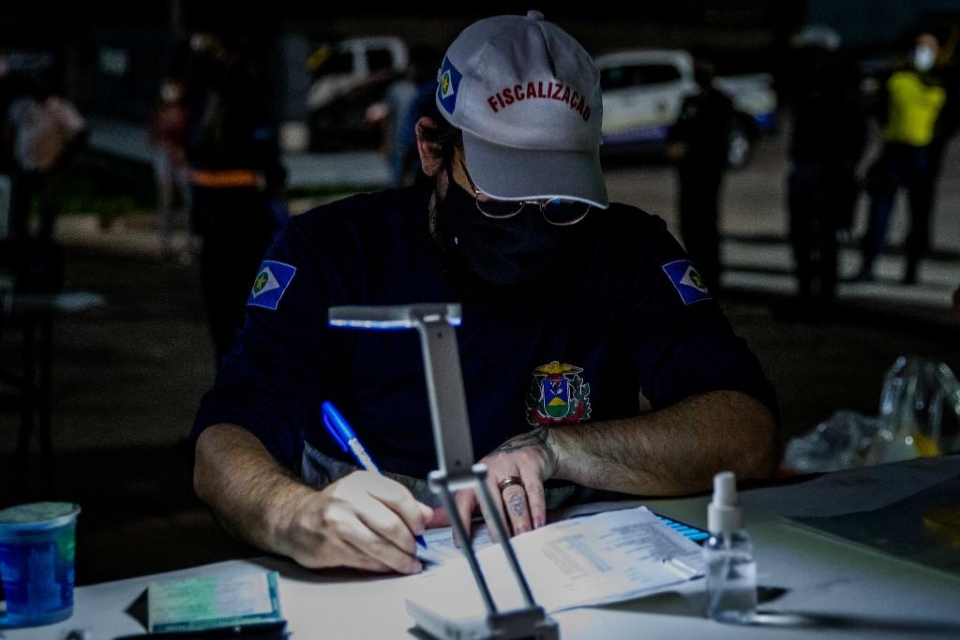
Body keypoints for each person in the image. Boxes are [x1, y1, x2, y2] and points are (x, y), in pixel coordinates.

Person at [191, 11, 780, 576]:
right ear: (432, 150)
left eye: (561, 203)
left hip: (573, 561)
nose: (530, 226)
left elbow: (745, 431)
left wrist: (559, 451)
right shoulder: (331, 249)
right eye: (499, 199)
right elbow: (225, 440)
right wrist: (290, 513)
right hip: (369, 562)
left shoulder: (628, 250)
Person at [183, 27, 287, 365]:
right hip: (230, 212)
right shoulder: (215, 93)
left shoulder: (234, 88)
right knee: (233, 302)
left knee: (232, 301)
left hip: (232, 213)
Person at [785, 25, 868, 311]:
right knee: (802, 235)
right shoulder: (808, 80)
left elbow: (856, 129)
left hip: (830, 169)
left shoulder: (840, 82)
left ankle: (823, 298)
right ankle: (808, 293)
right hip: (809, 166)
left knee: (825, 234)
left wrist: (845, 165)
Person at [854, 31, 947, 284]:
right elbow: (877, 110)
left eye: (929, 48)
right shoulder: (894, 80)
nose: (923, 53)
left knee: (919, 215)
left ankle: (912, 269)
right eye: (919, 47)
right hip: (894, 152)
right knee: (879, 211)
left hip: (923, 155)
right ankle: (868, 265)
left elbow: (946, 124)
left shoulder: (941, 85)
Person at [665, 55, 736, 295]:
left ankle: (713, 281)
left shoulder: (721, 102)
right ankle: (697, 280)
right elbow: (676, 129)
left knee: (707, 227)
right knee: (689, 226)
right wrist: (674, 145)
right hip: (687, 176)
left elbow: (717, 139)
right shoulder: (689, 101)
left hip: (707, 175)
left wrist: (690, 148)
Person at [2, 73, 87, 242]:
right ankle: (19, 239)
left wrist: (64, 159)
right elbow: (9, 128)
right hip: (24, 163)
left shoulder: (60, 109)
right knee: (20, 205)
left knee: (47, 205)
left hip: (48, 165)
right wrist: (10, 155)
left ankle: (43, 240)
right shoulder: (23, 106)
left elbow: (79, 132)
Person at [148, 76, 195, 261]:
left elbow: (188, 136)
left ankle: (190, 244)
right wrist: (165, 147)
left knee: (188, 201)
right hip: (164, 157)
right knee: (166, 201)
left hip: (183, 160)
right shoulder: (159, 113)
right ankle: (164, 243)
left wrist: (181, 151)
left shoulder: (186, 114)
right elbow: (153, 137)